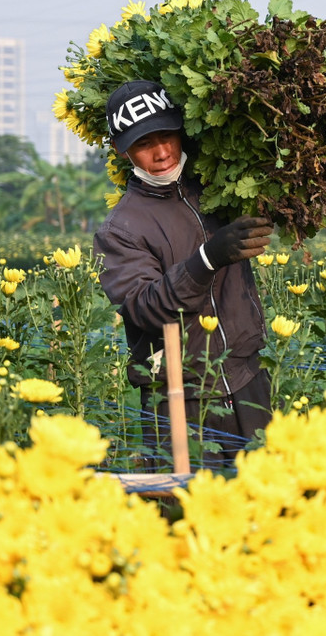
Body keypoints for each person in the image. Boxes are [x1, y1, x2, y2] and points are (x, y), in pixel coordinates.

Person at [92, 79, 274, 469]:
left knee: (266, 497)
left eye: (166, 136)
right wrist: (207, 258)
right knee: (185, 503)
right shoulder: (120, 229)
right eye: (144, 144)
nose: (161, 153)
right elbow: (144, 306)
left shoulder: (219, 189)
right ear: (123, 151)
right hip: (178, 397)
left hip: (247, 382)